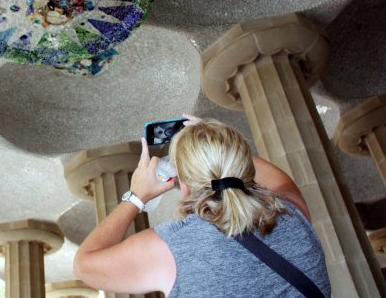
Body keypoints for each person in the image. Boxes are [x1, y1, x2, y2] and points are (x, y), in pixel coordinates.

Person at [73, 115, 331, 297]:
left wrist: (137, 195)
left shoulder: (172, 249)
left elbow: (84, 266)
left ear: (182, 183)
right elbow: (278, 180)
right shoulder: (291, 213)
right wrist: (218, 142)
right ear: (242, 164)